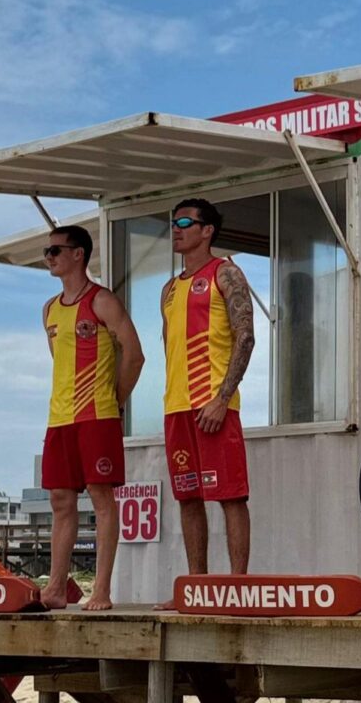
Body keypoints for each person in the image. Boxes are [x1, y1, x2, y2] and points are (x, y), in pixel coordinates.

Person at [40, 224, 144, 610]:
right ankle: (54, 587)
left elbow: (134, 354)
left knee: (102, 498)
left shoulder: (102, 301)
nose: (49, 257)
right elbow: (60, 361)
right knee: (60, 500)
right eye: (47, 252)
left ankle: (102, 589)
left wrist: (115, 400)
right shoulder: (49, 309)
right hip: (59, 417)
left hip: (96, 415)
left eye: (56, 251)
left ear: (78, 254)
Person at [157, 198, 255, 606]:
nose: (176, 228)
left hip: (213, 403)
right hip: (176, 407)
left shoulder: (226, 273)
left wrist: (222, 397)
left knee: (230, 494)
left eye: (184, 221)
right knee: (188, 497)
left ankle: (236, 587)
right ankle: (196, 587)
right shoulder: (169, 288)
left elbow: (245, 337)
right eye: (173, 222)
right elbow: (168, 346)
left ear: (207, 230)